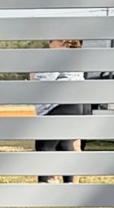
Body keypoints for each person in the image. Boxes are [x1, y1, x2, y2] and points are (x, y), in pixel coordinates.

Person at [32, 38, 85, 182]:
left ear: (62, 41)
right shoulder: (77, 57)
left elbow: (44, 79)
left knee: (45, 145)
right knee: (65, 144)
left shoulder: (57, 57)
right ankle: (68, 182)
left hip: (56, 105)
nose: (48, 43)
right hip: (74, 105)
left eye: (50, 41)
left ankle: (44, 182)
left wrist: (33, 75)